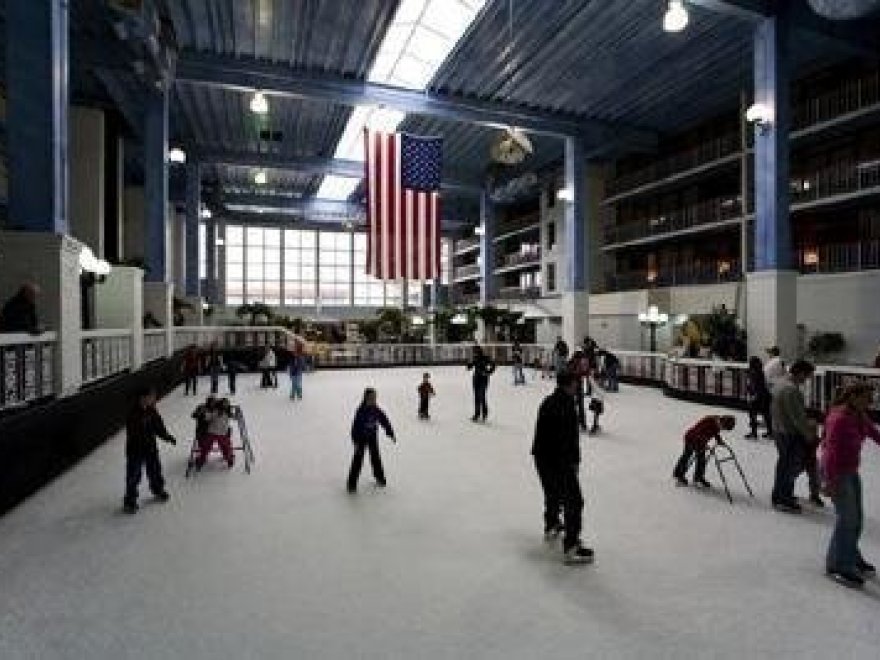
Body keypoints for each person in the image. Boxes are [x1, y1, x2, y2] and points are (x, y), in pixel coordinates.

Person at [531, 369, 594, 565]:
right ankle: (572, 546)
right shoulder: (565, 405)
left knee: (553, 493)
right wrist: (573, 462)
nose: (578, 386)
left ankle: (552, 524)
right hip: (556, 460)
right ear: (570, 384)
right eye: (576, 382)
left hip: (542, 457)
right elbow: (567, 439)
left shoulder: (550, 400)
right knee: (574, 501)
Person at [821, 383, 880, 588]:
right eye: (866, 397)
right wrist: (829, 482)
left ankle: (850, 554)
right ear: (853, 397)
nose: (870, 401)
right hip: (837, 472)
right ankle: (838, 565)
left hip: (851, 470)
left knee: (857, 519)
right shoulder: (839, 419)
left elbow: (873, 433)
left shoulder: (858, 414)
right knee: (847, 520)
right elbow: (829, 454)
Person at [770, 359, 817, 513]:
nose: (807, 379)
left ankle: (779, 494)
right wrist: (808, 433)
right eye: (808, 375)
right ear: (801, 372)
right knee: (790, 466)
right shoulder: (791, 390)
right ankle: (785, 497)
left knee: (783, 465)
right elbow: (797, 417)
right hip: (789, 433)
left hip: (779, 429)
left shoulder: (780, 384)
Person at [123, 386, 176, 514]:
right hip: (136, 450)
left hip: (150, 448)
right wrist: (144, 423)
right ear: (143, 398)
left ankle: (158, 490)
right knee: (134, 475)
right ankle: (130, 500)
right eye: (152, 396)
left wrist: (167, 437)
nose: (154, 398)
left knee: (155, 471)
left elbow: (158, 426)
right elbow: (133, 431)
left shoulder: (152, 410)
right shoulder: (133, 412)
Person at [347, 388, 395, 493]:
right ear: (366, 398)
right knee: (357, 461)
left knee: (376, 458)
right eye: (372, 397)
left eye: (375, 397)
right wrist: (355, 441)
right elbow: (354, 427)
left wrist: (390, 432)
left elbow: (384, 420)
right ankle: (351, 484)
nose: (374, 399)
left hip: (372, 437)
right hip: (361, 438)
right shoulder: (360, 411)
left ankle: (380, 478)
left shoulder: (376, 409)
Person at [673, 415, 736, 488]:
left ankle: (698, 478)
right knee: (687, 455)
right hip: (691, 438)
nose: (722, 429)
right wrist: (704, 444)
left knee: (702, 460)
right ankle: (678, 474)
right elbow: (698, 432)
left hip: (701, 441)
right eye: (723, 427)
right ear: (722, 422)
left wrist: (719, 440)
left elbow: (715, 432)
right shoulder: (708, 421)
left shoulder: (718, 423)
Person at [196, 397, 235, 469]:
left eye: (227, 404)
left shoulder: (225, 412)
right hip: (213, 432)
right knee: (207, 446)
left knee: (225, 447)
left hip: (219, 433)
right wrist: (203, 414)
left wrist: (204, 414)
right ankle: (202, 459)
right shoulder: (216, 412)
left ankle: (229, 458)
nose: (225, 406)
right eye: (224, 404)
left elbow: (207, 417)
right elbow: (208, 417)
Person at [745, 356, 772, 439]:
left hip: (757, 396)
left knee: (753, 414)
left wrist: (752, 395)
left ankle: (754, 433)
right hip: (764, 396)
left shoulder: (754, 373)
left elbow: (754, 386)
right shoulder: (760, 372)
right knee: (766, 414)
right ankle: (770, 432)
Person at [466, 345, 496, 422]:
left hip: (484, 379)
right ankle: (477, 414)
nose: (474, 353)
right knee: (476, 397)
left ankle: (484, 413)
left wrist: (488, 372)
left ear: (479, 351)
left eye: (475, 351)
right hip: (476, 379)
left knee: (482, 396)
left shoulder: (485, 357)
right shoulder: (475, 358)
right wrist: (468, 363)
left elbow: (493, 365)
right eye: (474, 352)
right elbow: (469, 367)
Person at [567, 350, 590, 431]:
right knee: (575, 405)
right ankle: (578, 423)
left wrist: (585, 370)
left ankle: (582, 423)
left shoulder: (577, 363)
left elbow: (584, 373)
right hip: (572, 386)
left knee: (579, 405)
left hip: (576, 386)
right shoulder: (572, 363)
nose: (582, 360)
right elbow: (571, 373)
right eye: (581, 358)